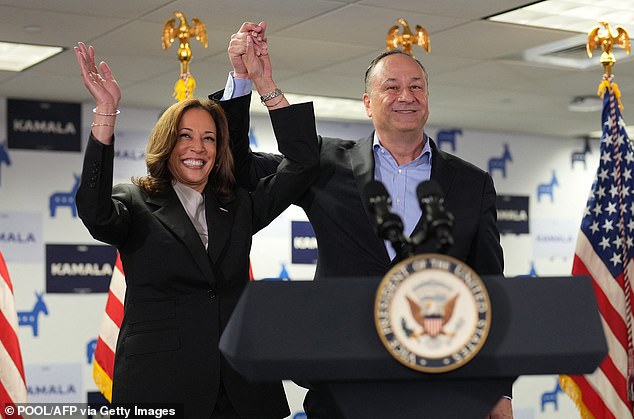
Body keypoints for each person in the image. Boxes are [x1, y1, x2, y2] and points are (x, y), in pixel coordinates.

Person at [217, 22, 513, 419]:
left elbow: (489, 289)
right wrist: (246, 80)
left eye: (416, 87)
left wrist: (498, 390)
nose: (405, 96)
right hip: (341, 386)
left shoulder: (472, 183)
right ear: (368, 103)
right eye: (391, 86)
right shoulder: (323, 164)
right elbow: (239, 166)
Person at [74, 38, 318, 418]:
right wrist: (106, 113)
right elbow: (95, 214)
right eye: (185, 136)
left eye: (209, 138)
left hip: (242, 390)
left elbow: (302, 162)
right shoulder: (135, 202)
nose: (198, 147)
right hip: (160, 386)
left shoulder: (239, 205)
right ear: (167, 144)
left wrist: (265, 85)